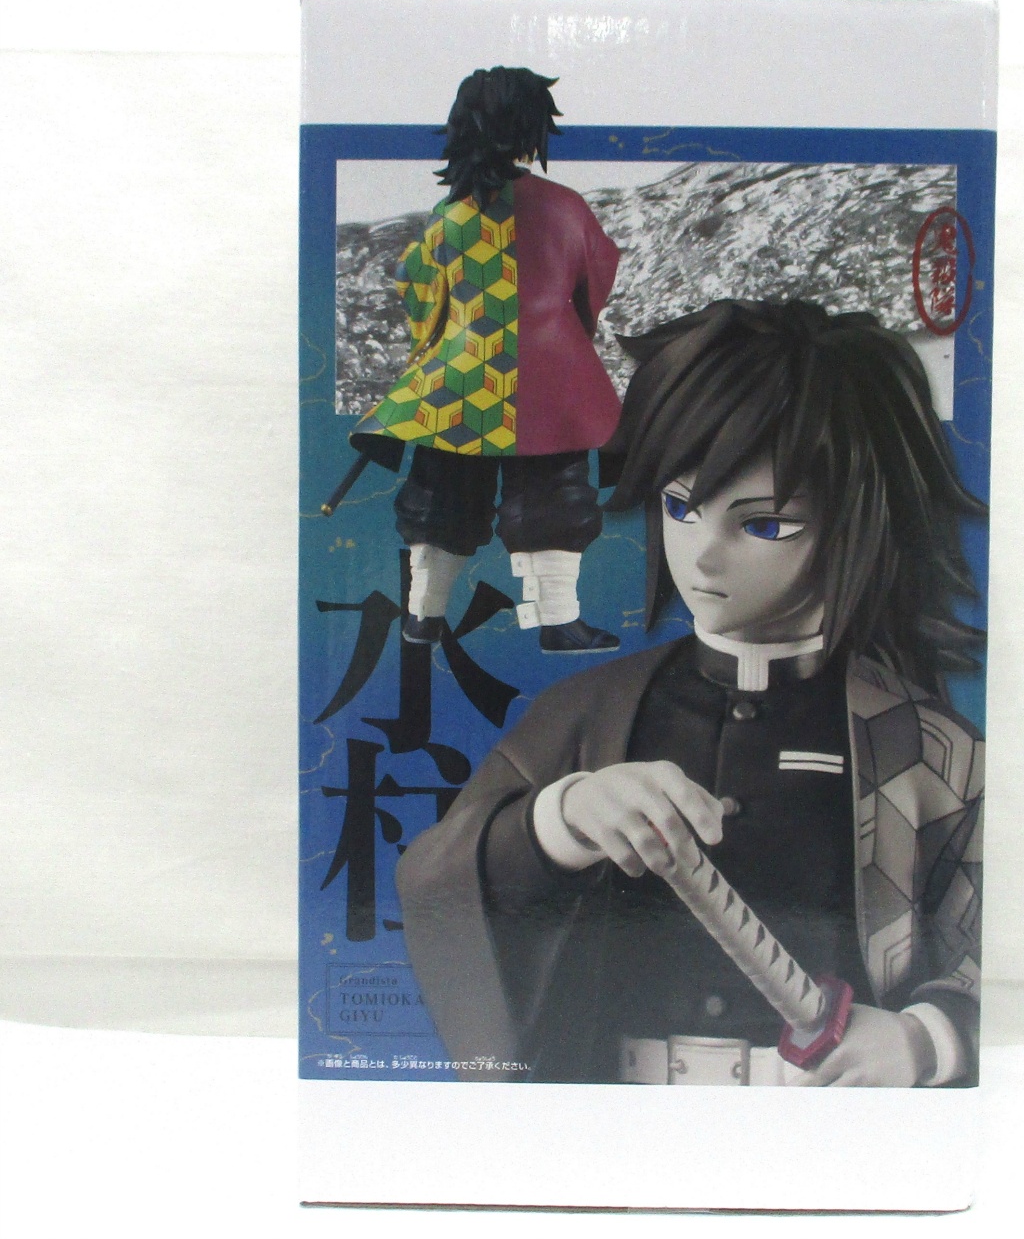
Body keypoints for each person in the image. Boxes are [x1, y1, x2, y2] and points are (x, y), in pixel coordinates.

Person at [397, 299, 986, 1085]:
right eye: (681, 508)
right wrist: (560, 819)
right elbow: (436, 878)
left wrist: (924, 1041)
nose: (702, 556)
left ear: (859, 523)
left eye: (765, 524)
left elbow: (993, 941)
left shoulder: (926, 743)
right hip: (613, 1116)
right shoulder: (588, 711)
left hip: (827, 1122)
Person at [350, 67, 622, 652]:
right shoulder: (565, 207)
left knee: (440, 494)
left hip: (460, 380)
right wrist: (568, 332)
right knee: (554, 497)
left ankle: (423, 615)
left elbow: (418, 285)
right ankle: (558, 622)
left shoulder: (450, 214)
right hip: (550, 382)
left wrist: (440, 340)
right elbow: (594, 279)